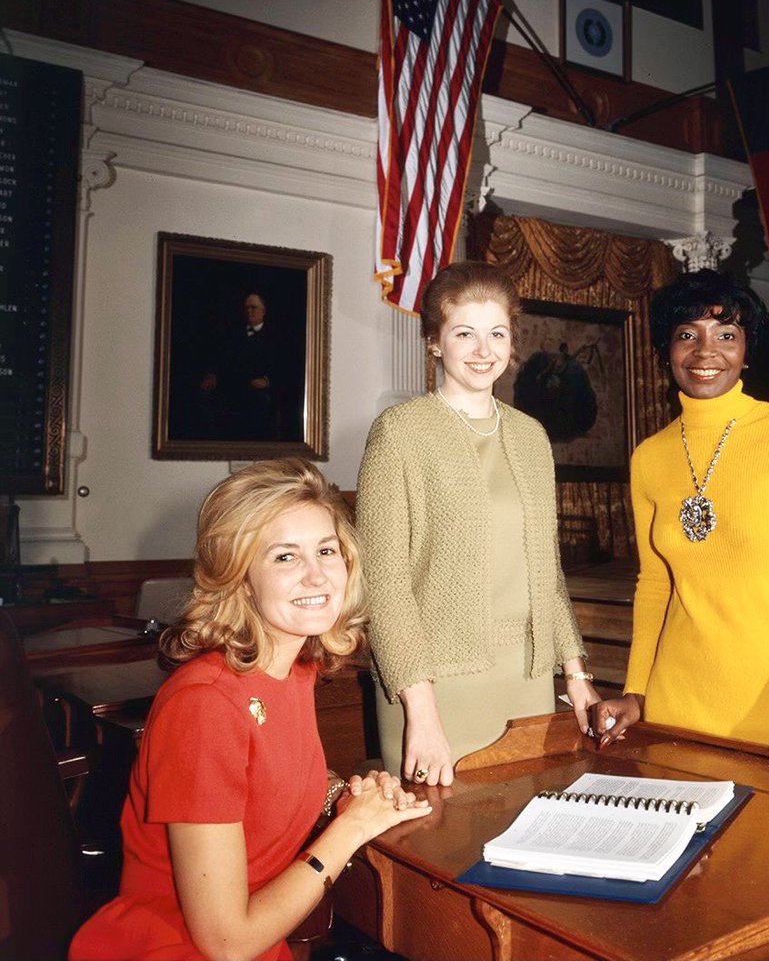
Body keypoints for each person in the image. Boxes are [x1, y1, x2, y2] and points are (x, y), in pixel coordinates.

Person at [69, 459, 430, 961]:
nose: (316, 573)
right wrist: (351, 830)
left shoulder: (294, 668)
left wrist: (345, 797)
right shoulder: (204, 706)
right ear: (239, 579)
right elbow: (226, 942)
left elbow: (266, 780)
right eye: (285, 557)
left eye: (327, 550)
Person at [357, 261, 598, 786]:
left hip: (528, 679)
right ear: (435, 342)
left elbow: (548, 571)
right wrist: (420, 712)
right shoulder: (399, 432)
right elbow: (384, 584)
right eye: (464, 333)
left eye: (497, 334)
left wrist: (575, 673)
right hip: (434, 685)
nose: (483, 350)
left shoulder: (532, 436)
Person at [591, 269, 769, 758]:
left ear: (747, 352)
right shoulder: (649, 457)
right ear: (666, 351)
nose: (706, 353)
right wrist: (637, 692)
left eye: (726, 335)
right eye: (688, 335)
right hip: (676, 706)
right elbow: (654, 587)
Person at [200, 292, 282, 439]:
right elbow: (218, 357)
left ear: (264, 311)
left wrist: (267, 381)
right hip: (232, 386)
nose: (249, 311)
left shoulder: (276, 336)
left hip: (258, 391)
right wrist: (211, 374)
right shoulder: (232, 333)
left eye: (253, 307)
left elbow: (284, 367)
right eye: (246, 308)